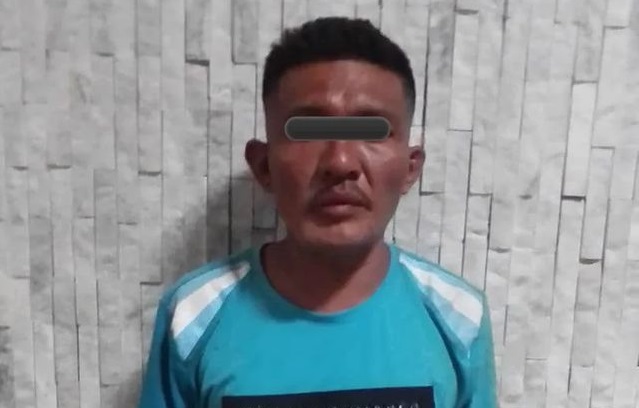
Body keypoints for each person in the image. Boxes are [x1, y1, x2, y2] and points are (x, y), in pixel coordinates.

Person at [138, 17, 498, 408]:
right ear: (264, 166)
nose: (340, 162)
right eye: (307, 131)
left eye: (371, 131)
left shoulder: (459, 318)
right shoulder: (191, 316)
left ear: (410, 169)